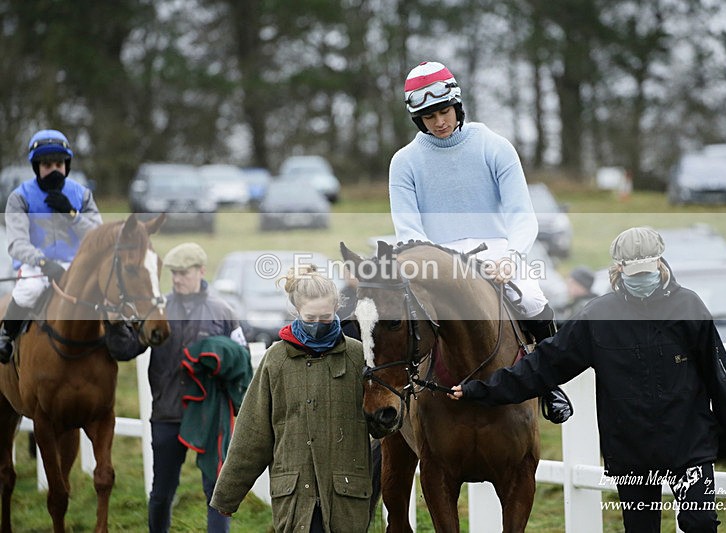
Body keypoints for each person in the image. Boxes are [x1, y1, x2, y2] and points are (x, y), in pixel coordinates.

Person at [450, 227, 726, 533]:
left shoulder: (690, 308)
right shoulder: (597, 318)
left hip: (690, 446)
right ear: (619, 269)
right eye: (634, 273)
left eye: (646, 271)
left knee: (700, 523)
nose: (642, 280)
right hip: (632, 452)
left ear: (661, 263)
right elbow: (542, 366)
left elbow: (722, 381)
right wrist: (480, 390)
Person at [389, 60, 570, 422]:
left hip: (496, 252)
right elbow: (408, 230)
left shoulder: (494, 146)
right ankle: (395, 389)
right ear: (417, 120)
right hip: (437, 258)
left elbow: (522, 215)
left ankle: (549, 385)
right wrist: (440, 265)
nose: (439, 122)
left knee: (533, 299)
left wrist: (512, 257)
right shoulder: (404, 161)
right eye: (429, 117)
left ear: (457, 106)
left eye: (444, 111)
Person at [210, 264, 372, 533]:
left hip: (347, 497)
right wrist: (227, 496)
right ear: (296, 311)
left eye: (326, 317)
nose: (318, 325)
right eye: (310, 318)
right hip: (296, 498)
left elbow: (381, 421)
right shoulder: (276, 360)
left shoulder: (358, 357)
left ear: (337, 310)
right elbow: (252, 434)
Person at [148, 242, 248, 533]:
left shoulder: (223, 311)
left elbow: (241, 363)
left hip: (209, 417)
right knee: (161, 494)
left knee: (216, 493)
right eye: (173, 273)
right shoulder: (159, 309)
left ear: (201, 271)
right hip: (166, 413)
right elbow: (131, 346)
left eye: (183, 272)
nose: (177, 279)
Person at [0, 129, 102, 362]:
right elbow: (17, 244)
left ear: (66, 165)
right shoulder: (20, 197)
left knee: (102, 290)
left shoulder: (82, 194)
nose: (54, 170)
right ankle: (6, 335)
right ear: (36, 167)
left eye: (58, 164)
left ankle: (120, 338)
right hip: (36, 265)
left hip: (77, 264)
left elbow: (99, 236)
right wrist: (44, 262)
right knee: (29, 291)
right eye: (46, 165)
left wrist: (72, 214)